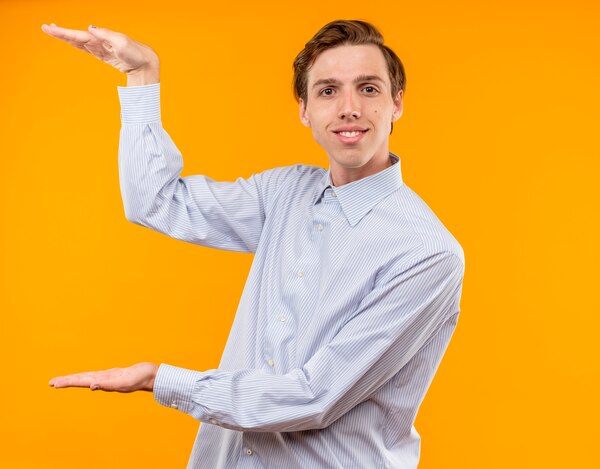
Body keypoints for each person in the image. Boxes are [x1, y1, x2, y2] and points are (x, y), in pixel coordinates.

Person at [43, 19, 465, 468]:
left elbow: (313, 398)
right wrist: (142, 75)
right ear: (303, 110)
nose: (348, 108)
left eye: (368, 89)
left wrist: (160, 380)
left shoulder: (426, 254)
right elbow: (157, 203)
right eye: (327, 91)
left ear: (396, 103)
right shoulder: (285, 193)